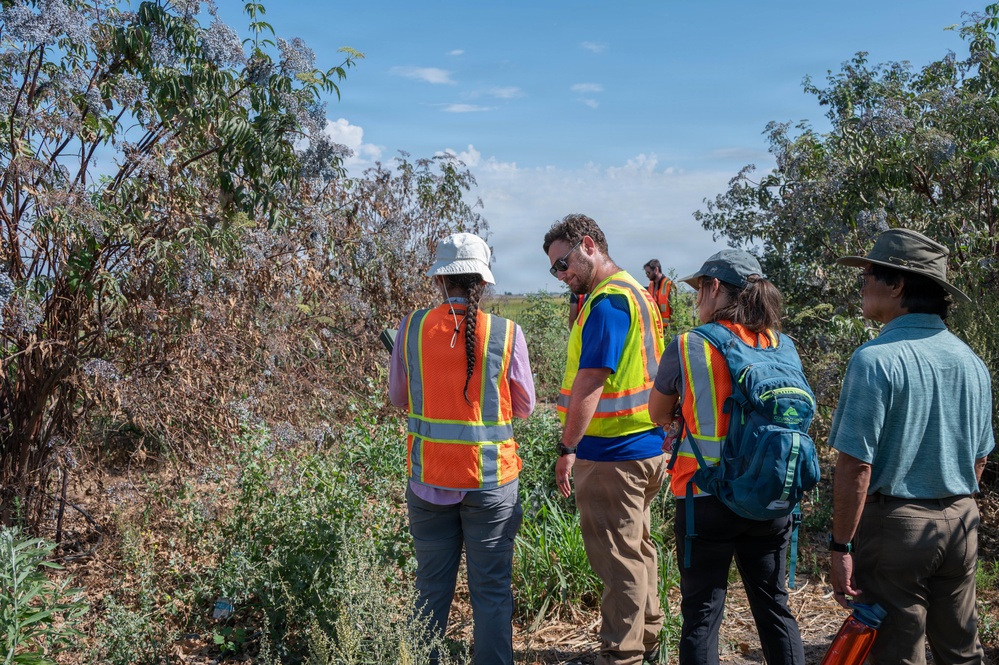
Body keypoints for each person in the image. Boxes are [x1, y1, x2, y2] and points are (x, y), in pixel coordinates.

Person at [828, 228, 994, 665]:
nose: (862, 284)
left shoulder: (875, 359)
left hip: (896, 525)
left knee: (898, 653)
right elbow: (979, 457)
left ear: (898, 284)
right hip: (961, 519)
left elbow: (856, 467)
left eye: (868, 274)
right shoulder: (972, 362)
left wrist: (840, 546)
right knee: (961, 650)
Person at [647, 249, 806, 665]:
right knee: (775, 607)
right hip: (770, 495)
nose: (697, 298)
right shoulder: (783, 345)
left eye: (700, 289)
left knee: (702, 615)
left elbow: (658, 413)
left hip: (705, 499)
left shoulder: (688, 345)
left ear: (715, 288)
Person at [388, 232, 536, 665]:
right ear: (484, 284)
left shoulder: (412, 327)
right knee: (491, 592)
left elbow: (398, 397)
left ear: (439, 281)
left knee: (431, 590)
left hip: (429, 480)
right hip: (491, 485)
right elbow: (524, 406)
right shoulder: (507, 333)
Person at [543, 214, 667, 665]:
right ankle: (647, 641)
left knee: (618, 562)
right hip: (643, 449)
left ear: (589, 245)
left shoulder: (610, 302)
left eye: (564, 263)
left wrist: (567, 448)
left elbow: (592, 380)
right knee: (636, 552)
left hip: (613, 455)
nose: (562, 275)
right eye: (555, 270)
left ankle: (622, 654)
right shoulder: (638, 293)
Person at [644, 259, 674, 331]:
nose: (647, 275)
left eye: (648, 273)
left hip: (666, 328)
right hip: (653, 326)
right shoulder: (651, 285)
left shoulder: (669, 285)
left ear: (656, 270)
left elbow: (674, 309)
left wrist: (673, 329)